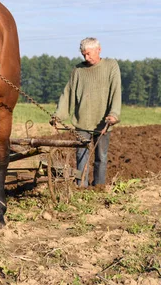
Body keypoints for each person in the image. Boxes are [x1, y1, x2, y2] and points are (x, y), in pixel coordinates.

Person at [50, 37, 121, 186]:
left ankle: (99, 187)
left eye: (89, 54)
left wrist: (114, 114)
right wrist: (58, 116)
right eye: (84, 55)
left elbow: (116, 91)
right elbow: (67, 93)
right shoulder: (78, 70)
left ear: (99, 50)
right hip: (82, 121)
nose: (86, 58)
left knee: (101, 157)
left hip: (104, 122)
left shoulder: (111, 66)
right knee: (81, 155)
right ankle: (81, 187)